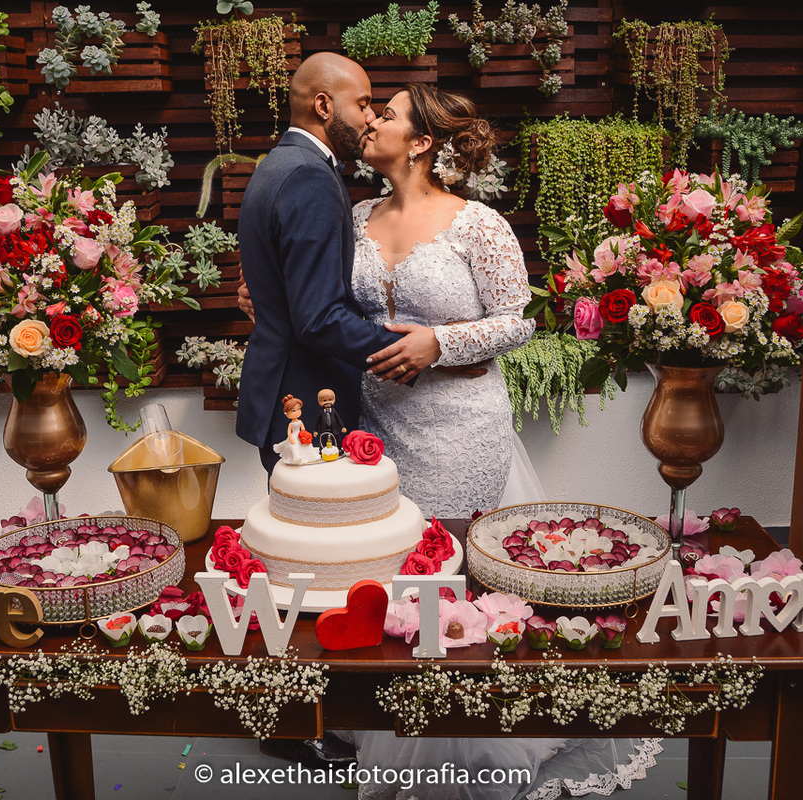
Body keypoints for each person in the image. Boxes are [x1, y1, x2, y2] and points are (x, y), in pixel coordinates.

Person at [339, 83, 662, 799]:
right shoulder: (355, 216)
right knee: (391, 569)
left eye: (385, 114)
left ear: (421, 141)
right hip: (377, 428)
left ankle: (477, 745)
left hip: (460, 427)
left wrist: (439, 342)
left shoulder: (476, 223)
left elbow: (518, 321)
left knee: (453, 575)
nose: (369, 122)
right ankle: (392, 722)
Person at [235, 52, 407, 475]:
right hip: (310, 402)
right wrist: (408, 352)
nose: (370, 118)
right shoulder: (308, 177)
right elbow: (317, 319)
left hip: (286, 389)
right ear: (324, 106)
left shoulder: (275, 165)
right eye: (363, 103)